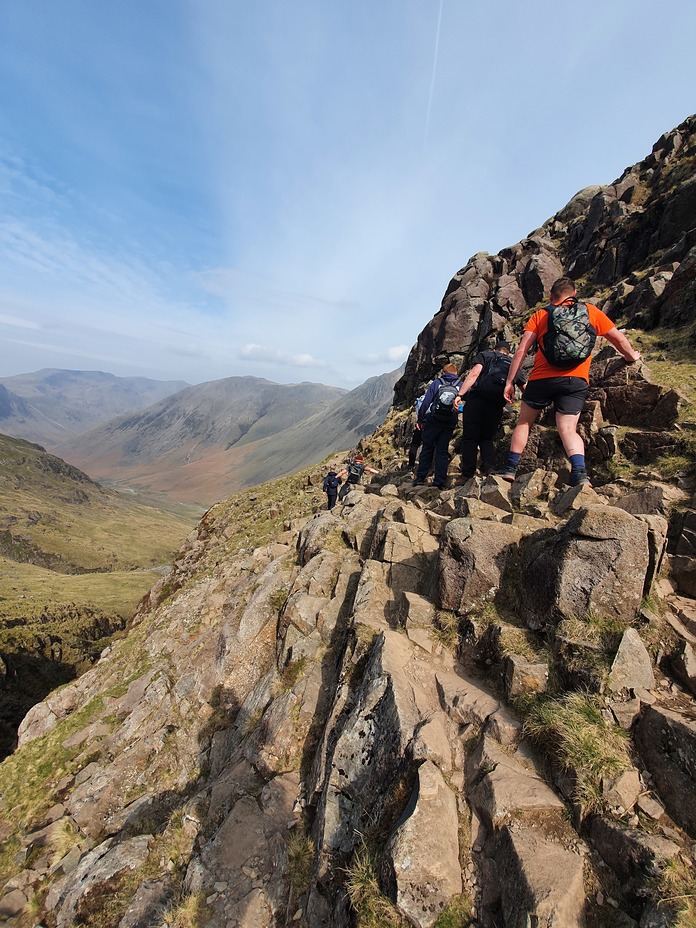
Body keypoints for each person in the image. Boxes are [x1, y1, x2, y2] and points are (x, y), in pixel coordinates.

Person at [498, 276, 641, 486]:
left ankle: (510, 468)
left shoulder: (541, 314)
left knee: (524, 422)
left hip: (541, 379)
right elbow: (617, 338)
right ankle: (580, 473)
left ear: (550, 296)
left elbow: (521, 351)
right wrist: (631, 356)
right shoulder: (589, 311)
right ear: (573, 294)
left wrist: (510, 381)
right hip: (575, 380)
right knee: (567, 429)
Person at [455, 341, 525, 481]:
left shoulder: (485, 355)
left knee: (470, 438)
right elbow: (524, 386)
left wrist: (460, 395)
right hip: (496, 404)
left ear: (495, 349)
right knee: (487, 438)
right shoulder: (513, 363)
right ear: (509, 353)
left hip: (477, 400)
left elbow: (474, 374)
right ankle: (490, 468)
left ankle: (467, 474)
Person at [413, 363, 462, 489]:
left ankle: (420, 478)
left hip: (433, 421)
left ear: (444, 372)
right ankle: (439, 482)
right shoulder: (460, 385)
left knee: (427, 448)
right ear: (455, 372)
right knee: (442, 451)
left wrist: (421, 419)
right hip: (449, 423)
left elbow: (426, 402)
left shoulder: (437, 383)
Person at [407, 393, 426, 469]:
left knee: (414, 445)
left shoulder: (421, 399)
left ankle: (411, 465)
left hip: (420, 424)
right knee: (428, 446)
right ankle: (425, 467)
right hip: (431, 425)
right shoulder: (436, 398)